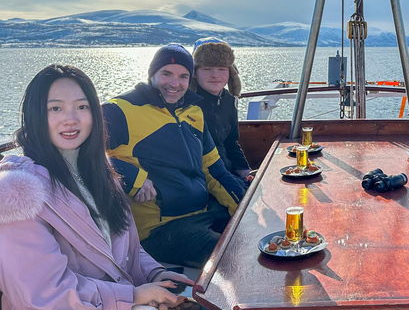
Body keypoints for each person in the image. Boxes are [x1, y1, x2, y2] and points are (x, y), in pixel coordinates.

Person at [0, 64, 193, 309]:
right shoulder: (18, 193)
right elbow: (44, 294)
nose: (71, 119)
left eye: (82, 107)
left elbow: (122, 252)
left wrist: (155, 275)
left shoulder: (99, 172)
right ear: (35, 114)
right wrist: (133, 297)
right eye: (55, 108)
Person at [104, 44, 246, 268]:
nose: (174, 83)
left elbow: (214, 170)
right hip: (158, 231)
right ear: (152, 75)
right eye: (166, 74)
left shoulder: (193, 112)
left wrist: (245, 207)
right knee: (235, 258)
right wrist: (131, 177)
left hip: (200, 213)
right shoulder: (121, 110)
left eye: (183, 76)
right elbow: (76, 151)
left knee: (255, 235)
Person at [190, 37, 251, 183]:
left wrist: (245, 171)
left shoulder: (228, 100)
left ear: (231, 73)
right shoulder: (187, 106)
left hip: (227, 174)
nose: (215, 75)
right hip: (202, 180)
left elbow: (231, 142)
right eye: (207, 69)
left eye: (222, 69)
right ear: (194, 73)